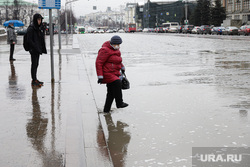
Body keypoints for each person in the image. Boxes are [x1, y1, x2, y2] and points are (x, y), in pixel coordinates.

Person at [96, 35, 128, 113]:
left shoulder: (117, 51)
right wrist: (100, 76)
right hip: (107, 73)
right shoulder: (104, 50)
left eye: (119, 45)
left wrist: (122, 67)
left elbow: (118, 61)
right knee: (117, 82)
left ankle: (106, 110)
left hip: (114, 73)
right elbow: (98, 63)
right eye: (116, 44)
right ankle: (119, 103)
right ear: (112, 43)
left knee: (111, 93)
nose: (117, 46)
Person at [26, 13, 47, 87]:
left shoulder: (37, 28)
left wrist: (43, 30)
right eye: (38, 20)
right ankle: (33, 80)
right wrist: (34, 47)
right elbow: (29, 40)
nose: (40, 21)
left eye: (40, 20)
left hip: (37, 49)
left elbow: (40, 38)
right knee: (34, 64)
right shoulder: (31, 28)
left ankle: (35, 79)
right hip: (33, 49)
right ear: (35, 20)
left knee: (36, 64)